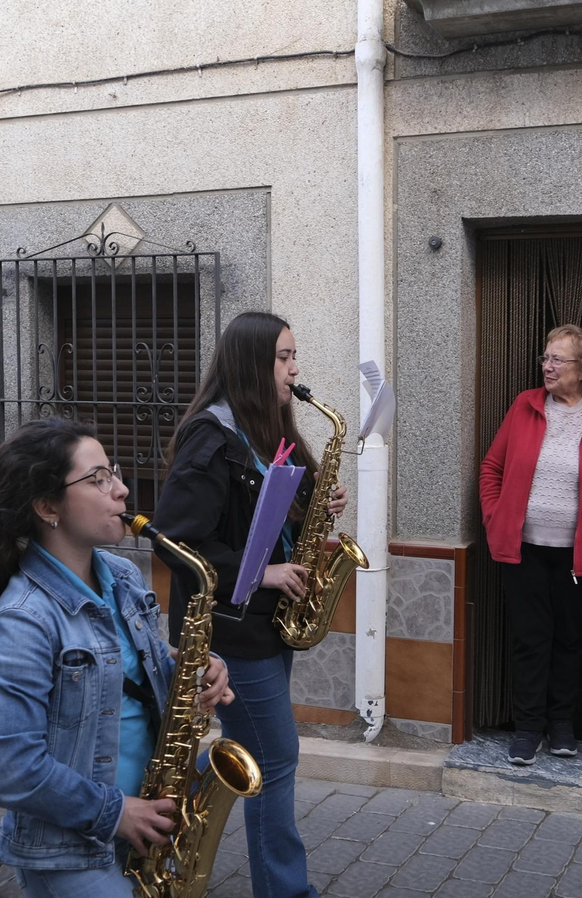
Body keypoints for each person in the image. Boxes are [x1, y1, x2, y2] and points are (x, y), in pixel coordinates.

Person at [0, 419, 233, 897]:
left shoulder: (122, 574)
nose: (121, 489)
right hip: (70, 849)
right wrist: (114, 812)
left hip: (146, 819)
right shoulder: (24, 620)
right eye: (97, 479)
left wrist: (196, 668)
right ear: (47, 507)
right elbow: (12, 771)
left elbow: (133, 665)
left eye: (112, 472)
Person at [152, 311, 346, 898]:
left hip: (264, 622)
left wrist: (319, 502)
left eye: (294, 356)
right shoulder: (211, 438)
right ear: (251, 364)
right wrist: (263, 572)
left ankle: (156, 812)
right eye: (284, 358)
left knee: (256, 752)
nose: (295, 369)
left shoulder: (267, 427)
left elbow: (274, 512)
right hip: (228, 628)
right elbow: (176, 540)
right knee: (276, 758)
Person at [479, 323, 582, 766]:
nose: (547, 367)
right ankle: (528, 728)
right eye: (545, 358)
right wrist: (495, 517)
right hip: (523, 546)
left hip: (578, 552)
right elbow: (492, 468)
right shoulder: (525, 405)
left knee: (569, 639)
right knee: (530, 640)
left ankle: (562, 725)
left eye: (557, 359)